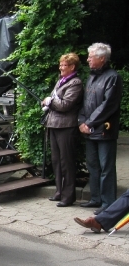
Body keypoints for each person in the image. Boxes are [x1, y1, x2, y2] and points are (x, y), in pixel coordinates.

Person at [78, 43, 123, 215]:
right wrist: (81, 121)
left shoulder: (113, 77)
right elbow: (85, 102)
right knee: (93, 165)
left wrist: (89, 123)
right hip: (89, 129)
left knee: (106, 167)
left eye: (91, 56)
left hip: (104, 130)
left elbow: (108, 105)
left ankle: (108, 202)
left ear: (102, 58)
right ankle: (95, 198)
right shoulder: (91, 77)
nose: (88, 59)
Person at [41, 53, 84, 207]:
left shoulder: (76, 83)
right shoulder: (61, 81)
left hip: (66, 126)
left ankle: (68, 196)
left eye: (64, 65)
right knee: (56, 161)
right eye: (60, 64)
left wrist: (49, 101)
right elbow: (54, 100)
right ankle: (59, 191)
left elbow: (65, 105)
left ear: (72, 67)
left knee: (67, 162)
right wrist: (48, 102)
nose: (60, 67)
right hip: (53, 124)